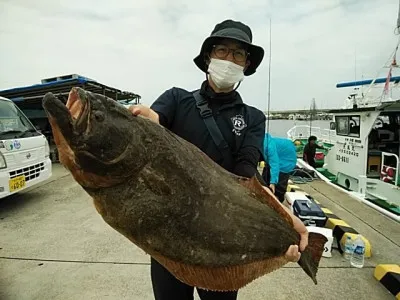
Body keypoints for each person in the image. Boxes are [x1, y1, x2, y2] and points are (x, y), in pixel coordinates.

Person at [128, 19, 308, 300]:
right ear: (208, 56)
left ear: (246, 65)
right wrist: (148, 119)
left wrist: (285, 219)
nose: (229, 59)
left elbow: (246, 175)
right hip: (170, 233)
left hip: (225, 241)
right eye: (222, 50)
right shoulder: (176, 100)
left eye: (238, 54)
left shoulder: (253, 118)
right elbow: (154, 123)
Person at [262, 133, 297, 202]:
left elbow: (275, 164)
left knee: (279, 182)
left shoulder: (269, 147)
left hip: (287, 159)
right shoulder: (261, 142)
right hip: (277, 154)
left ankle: (278, 200)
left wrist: (273, 182)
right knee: (265, 178)